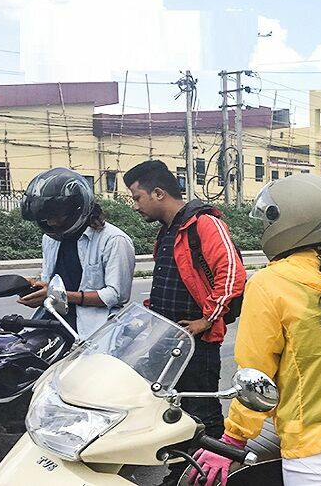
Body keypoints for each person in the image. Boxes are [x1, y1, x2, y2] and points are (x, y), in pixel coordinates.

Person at [191, 175, 321, 486]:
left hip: (317, 441)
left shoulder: (270, 283)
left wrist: (233, 439)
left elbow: (256, 377)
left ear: (290, 223)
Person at [123, 160, 246, 486]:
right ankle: (180, 472)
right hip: (167, 341)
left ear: (158, 193)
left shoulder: (204, 223)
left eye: (137, 197)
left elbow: (232, 275)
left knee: (203, 414)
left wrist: (207, 320)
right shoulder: (169, 230)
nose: (135, 206)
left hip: (196, 344)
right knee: (173, 412)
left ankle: (211, 476)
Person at [18, 167, 135, 337]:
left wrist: (60, 295)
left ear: (76, 209)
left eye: (56, 216)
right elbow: (50, 281)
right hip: (53, 319)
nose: (51, 223)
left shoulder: (114, 240)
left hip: (93, 330)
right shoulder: (50, 239)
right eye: (45, 217)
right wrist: (36, 289)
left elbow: (116, 295)